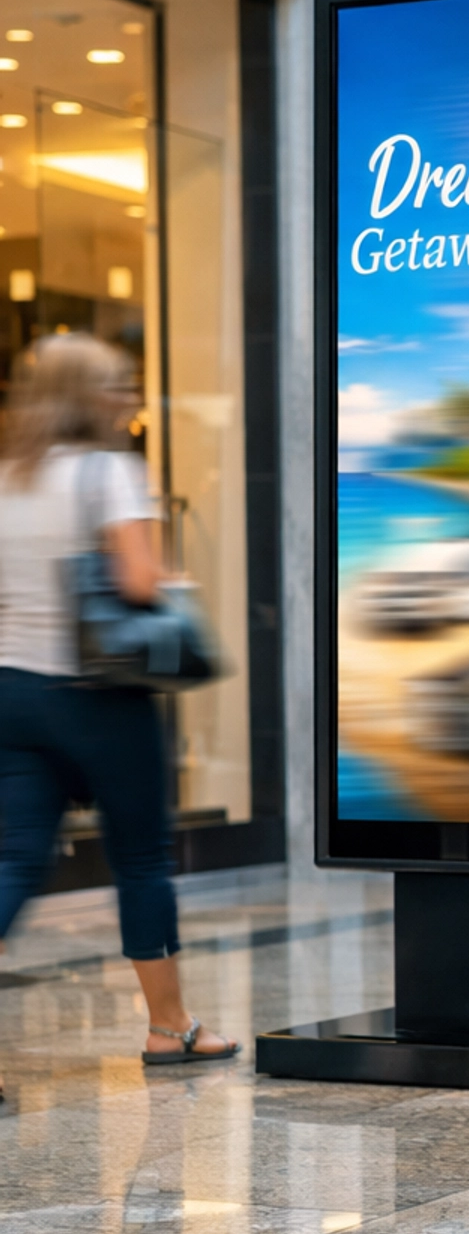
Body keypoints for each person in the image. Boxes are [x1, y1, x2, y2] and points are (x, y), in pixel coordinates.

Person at [0, 334, 238, 1074]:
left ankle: (173, 1024)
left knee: (14, 860)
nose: (129, 399)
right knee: (142, 860)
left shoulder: (7, 477)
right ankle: (169, 1028)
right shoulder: (110, 472)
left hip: (12, 691)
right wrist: (171, 578)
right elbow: (138, 584)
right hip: (100, 695)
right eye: (117, 387)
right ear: (86, 398)